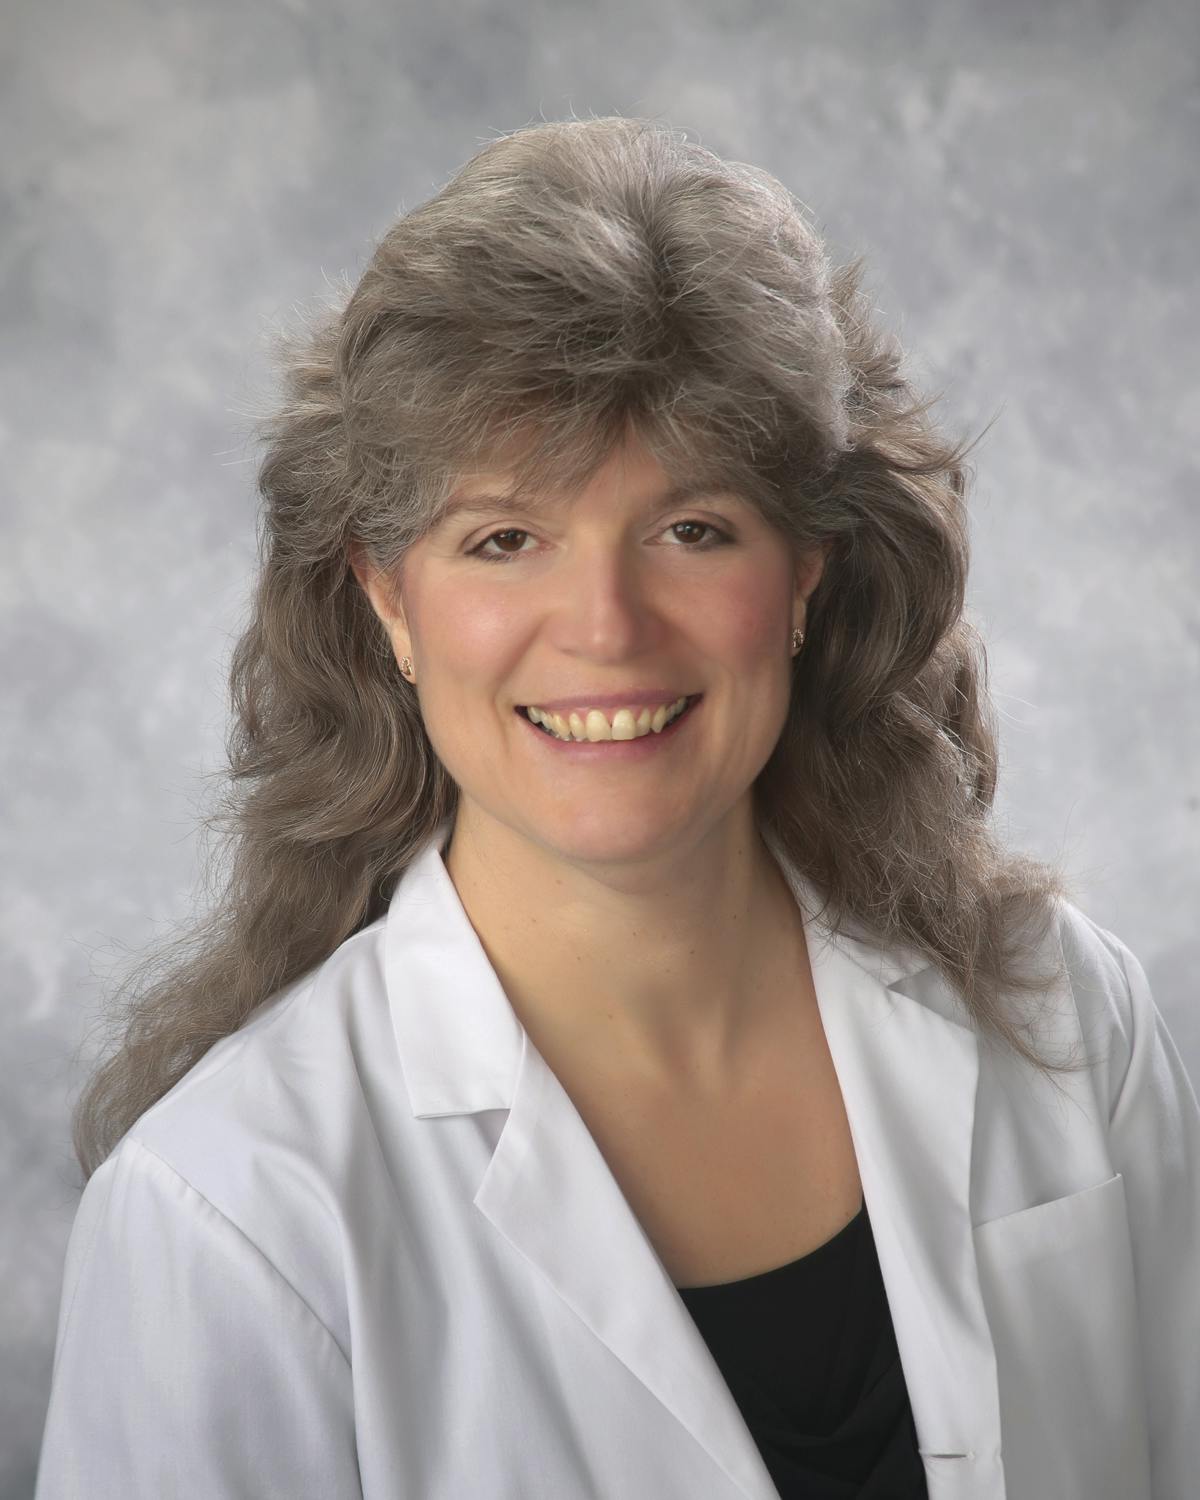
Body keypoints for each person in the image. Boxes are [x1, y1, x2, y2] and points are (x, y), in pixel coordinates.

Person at [35, 117, 1199, 1500]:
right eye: (505, 539)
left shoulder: (1065, 1013)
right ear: (387, 597)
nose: (605, 628)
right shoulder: (227, 1212)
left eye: (692, 530)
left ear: (807, 573)